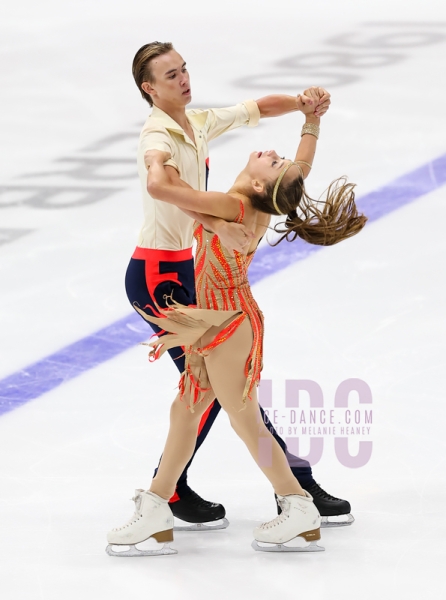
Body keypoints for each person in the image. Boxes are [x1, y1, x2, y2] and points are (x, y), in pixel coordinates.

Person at [106, 89, 366, 556]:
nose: (271, 152)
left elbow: (164, 191)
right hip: (213, 320)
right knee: (185, 411)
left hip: (226, 325)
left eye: (274, 161)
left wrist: (157, 163)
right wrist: (310, 123)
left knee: (246, 422)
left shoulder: (236, 206)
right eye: (275, 154)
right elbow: (300, 169)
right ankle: (157, 507)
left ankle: (297, 505)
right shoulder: (261, 200)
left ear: (263, 185)